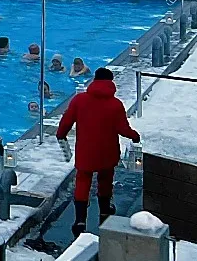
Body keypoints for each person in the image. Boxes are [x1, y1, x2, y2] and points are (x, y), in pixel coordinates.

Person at [56, 67, 141, 237]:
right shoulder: (115, 104)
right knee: (105, 179)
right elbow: (122, 128)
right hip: (107, 150)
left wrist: (61, 135)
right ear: (111, 82)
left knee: (83, 180)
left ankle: (80, 219)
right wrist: (134, 136)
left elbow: (66, 120)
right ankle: (104, 210)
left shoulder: (79, 100)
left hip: (86, 150)